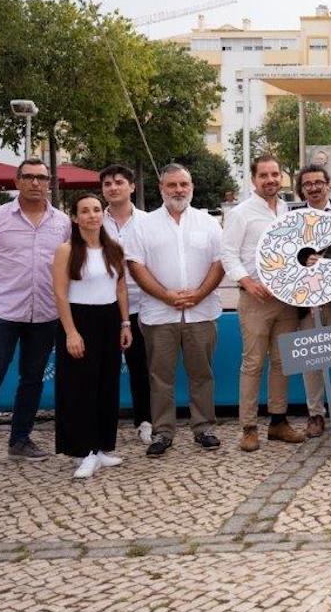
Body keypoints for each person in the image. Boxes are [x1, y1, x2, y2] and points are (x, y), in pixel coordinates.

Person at [0, 159, 69, 478]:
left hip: (45, 311)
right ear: (17, 181)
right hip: (2, 312)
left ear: (49, 183)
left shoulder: (62, 222)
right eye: (29, 177)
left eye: (41, 178)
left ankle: (20, 440)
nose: (35, 183)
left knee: (33, 378)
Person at [123, 163, 224, 457]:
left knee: (202, 374)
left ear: (191, 187)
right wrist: (165, 295)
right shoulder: (143, 225)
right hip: (158, 314)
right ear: (161, 188)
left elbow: (220, 262)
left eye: (183, 184)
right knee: (159, 377)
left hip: (201, 312)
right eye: (172, 185)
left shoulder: (208, 223)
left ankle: (203, 428)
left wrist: (200, 293)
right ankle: (162, 432)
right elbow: (135, 265)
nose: (178, 190)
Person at [222, 155, 305, 451]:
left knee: (282, 362)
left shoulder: (286, 210)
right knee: (253, 363)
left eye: (274, 174)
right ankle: (248, 427)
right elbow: (228, 254)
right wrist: (248, 282)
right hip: (255, 299)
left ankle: (278, 422)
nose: (270, 180)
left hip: (286, 299)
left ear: (281, 177)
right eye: (264, 175)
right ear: (253, 179)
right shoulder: (240, 213)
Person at [52, 194, 131, 479]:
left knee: (106, 385)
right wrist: (71, 332)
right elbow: (60, 293)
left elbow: (120, 288)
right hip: (79, 319)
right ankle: (83, 450)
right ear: (75, 218)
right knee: (79, 388)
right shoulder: (66, 250)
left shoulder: (115, 249)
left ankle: (100, 447)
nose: (92, 215)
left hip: (109, 319)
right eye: (85, 211)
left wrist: (125, 323)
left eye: (96, 210)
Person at [98, 164, 152, 444]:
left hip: (143, 305)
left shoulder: (149, 222)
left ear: (132, 186)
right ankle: (101, 426)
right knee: (104, 370)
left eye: (119, 182)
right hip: (104, 304)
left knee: (140, 367)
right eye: (107, 184)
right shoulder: (95, 221)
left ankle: (145, 420)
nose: (113, 187)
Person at [293, 164, 331, 438]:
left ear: (328, 184)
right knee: (310, 359)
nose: (313, 187)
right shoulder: (292, 219)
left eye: (318, 182)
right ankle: (315, 414)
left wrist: (326, 262)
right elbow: (286, 257)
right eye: (307, 184)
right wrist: (305, 261)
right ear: (301, 189)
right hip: (305, 299)